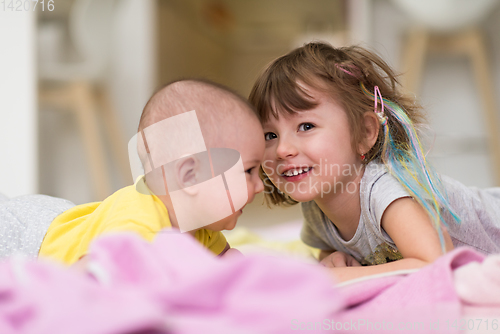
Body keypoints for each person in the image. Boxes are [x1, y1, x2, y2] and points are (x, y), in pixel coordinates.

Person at [248, 42, 500, 283]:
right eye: (270, 135)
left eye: (306, 126)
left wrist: (345, 277)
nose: (282, 149)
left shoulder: (386, 192)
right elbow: (329, 250)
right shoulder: (316, 207)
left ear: (365, 133)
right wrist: (332, 259)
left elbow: (433, 263)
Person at [1, 79, 265, 265]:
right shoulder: (135, 227)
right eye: (249, 171)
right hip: (28, 238)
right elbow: (92, 281)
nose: (260, 185)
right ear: (190, 176)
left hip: (71, 220)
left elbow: (225, 262)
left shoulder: (201, 225)